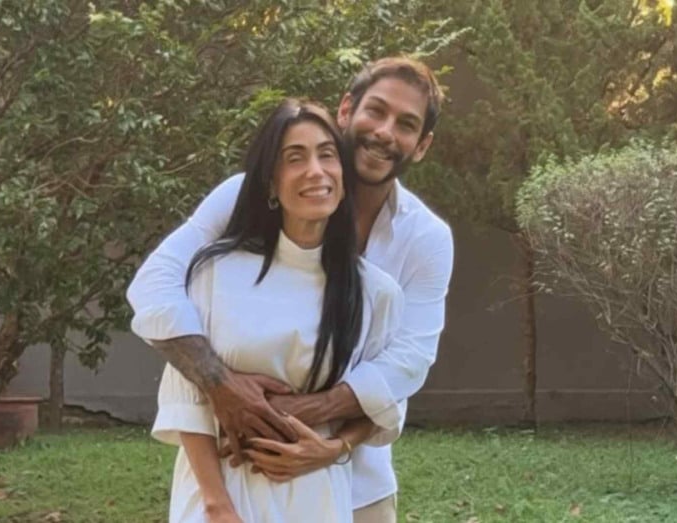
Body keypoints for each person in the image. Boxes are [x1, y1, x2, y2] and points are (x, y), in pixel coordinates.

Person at [128, 56, 454, 522]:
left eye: (406, 124)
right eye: (376, 111)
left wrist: (308, 426)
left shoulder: (419, 246)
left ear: (421, 146)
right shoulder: (236, 216)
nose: (385, 132)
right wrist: (224, 387)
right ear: (346, 110)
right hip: (235, 479)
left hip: (357, 481)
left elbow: (409, 359)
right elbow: (157, 286)